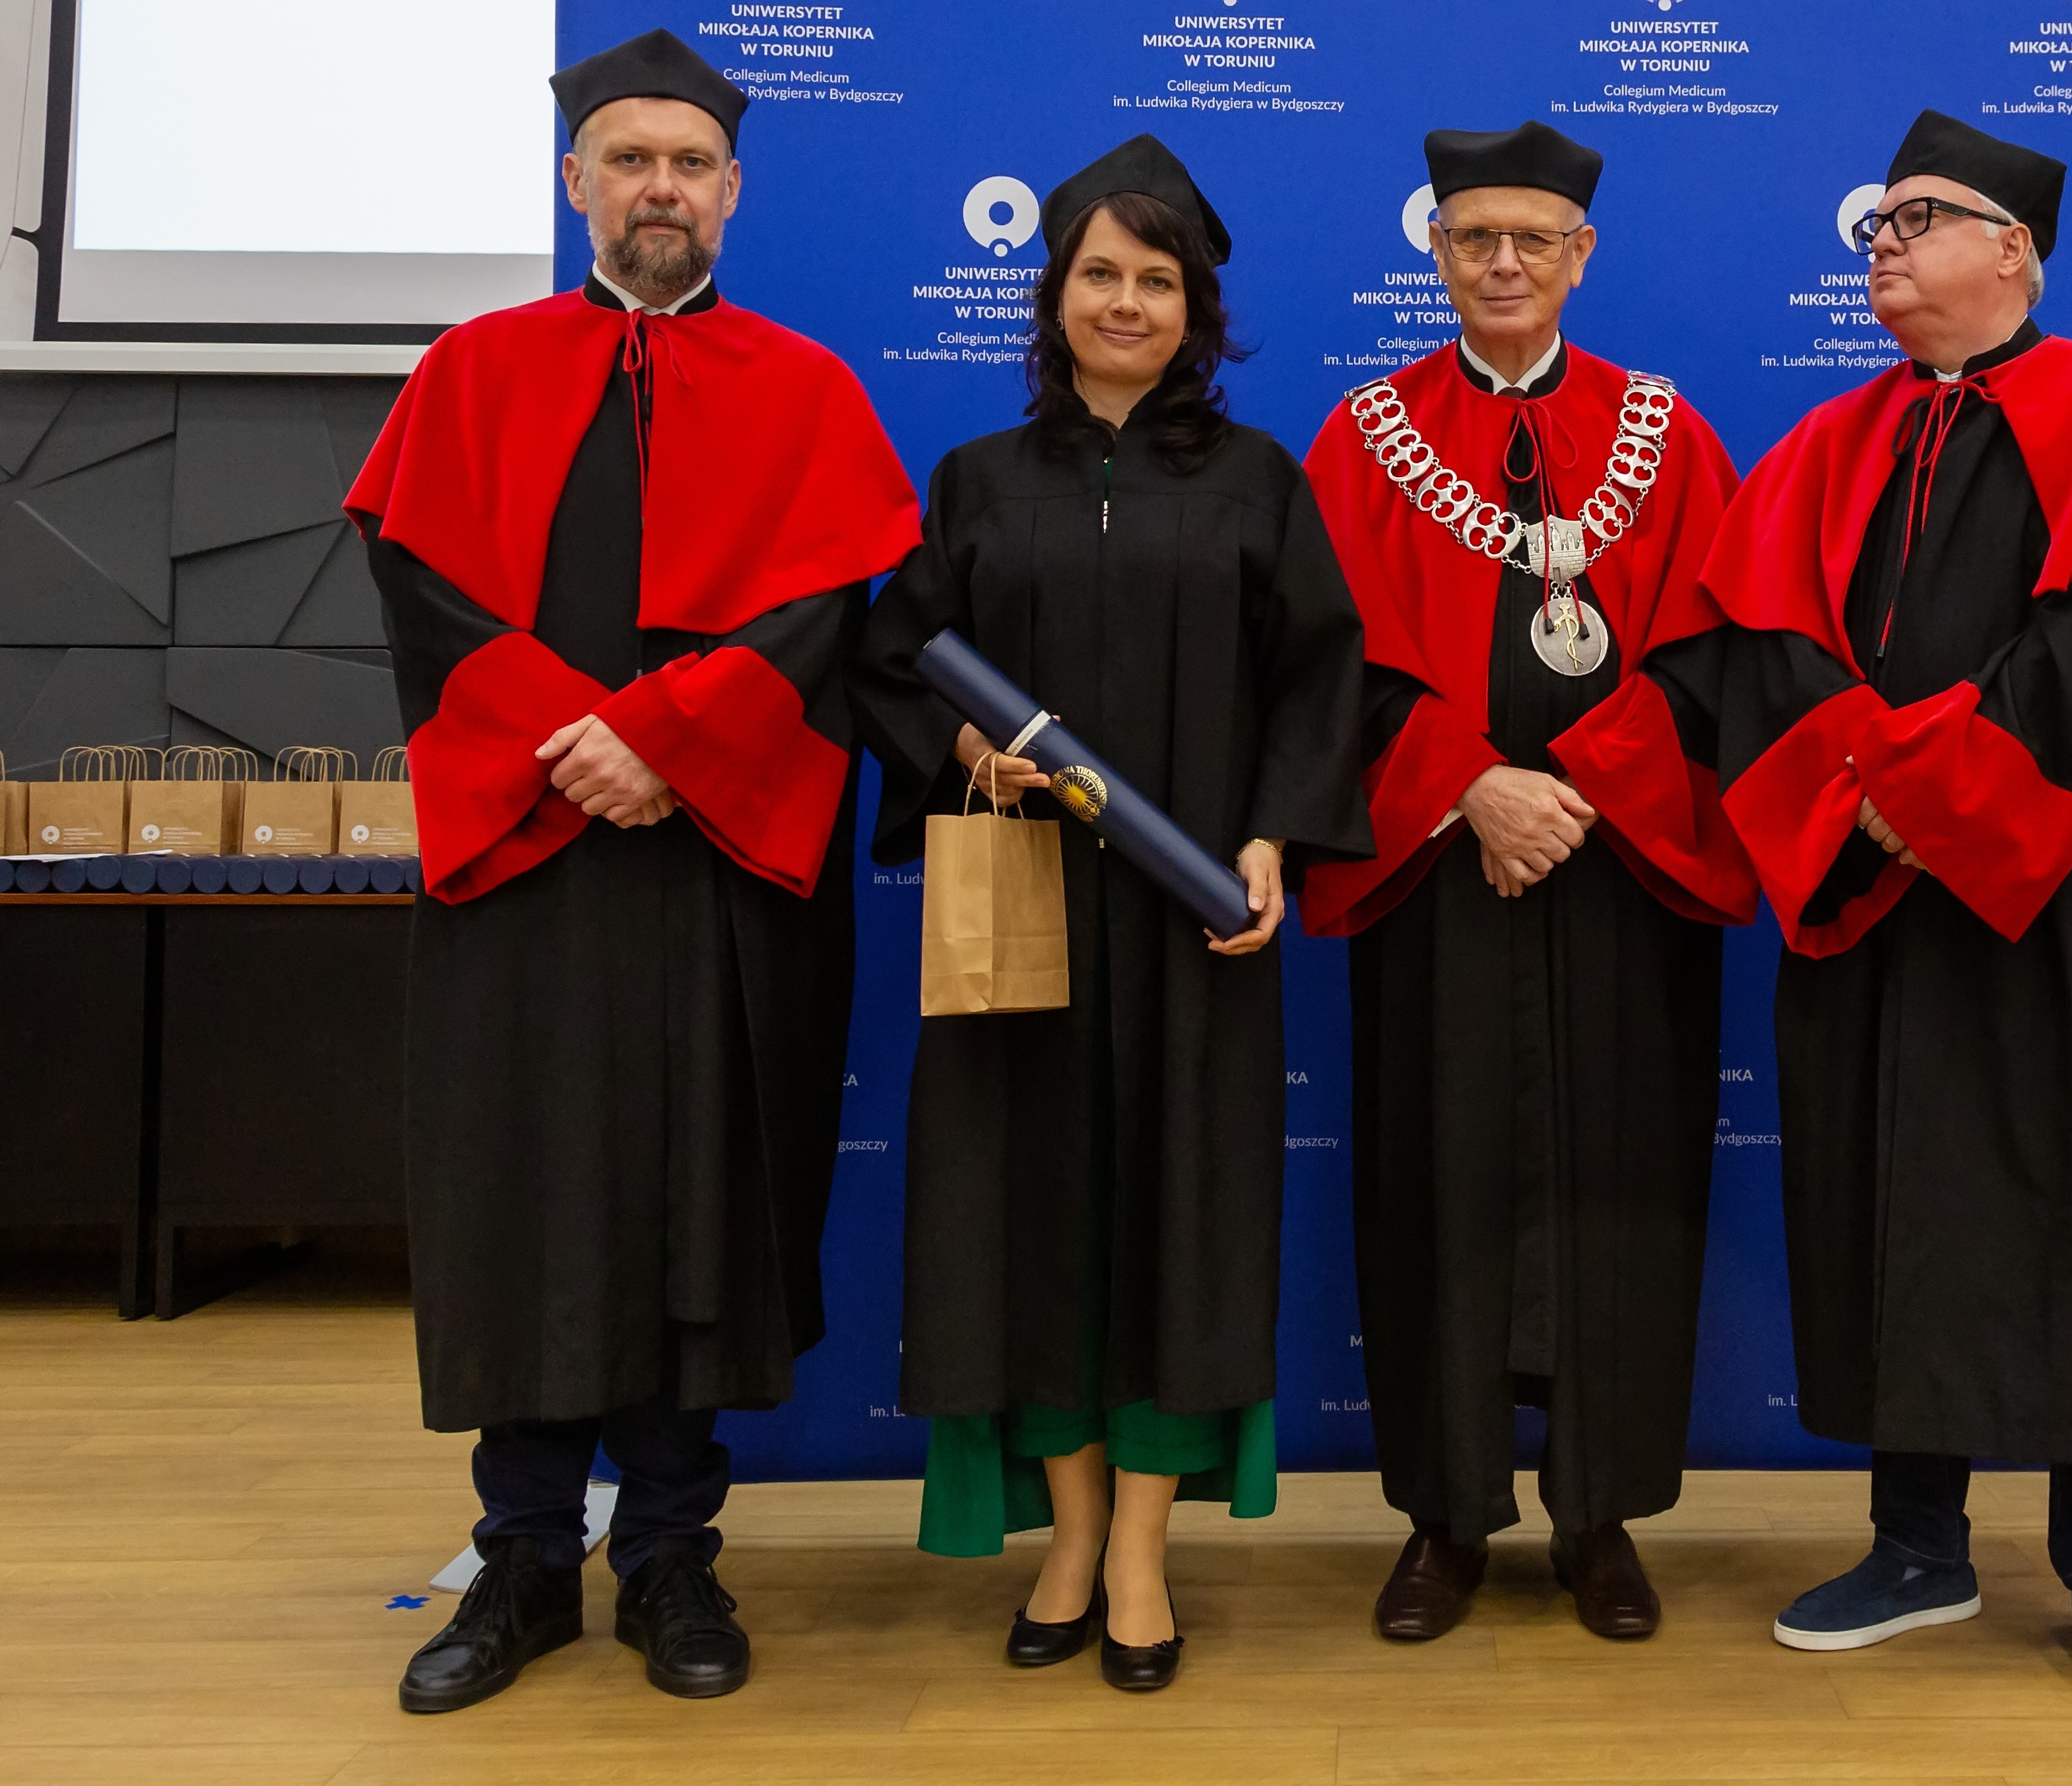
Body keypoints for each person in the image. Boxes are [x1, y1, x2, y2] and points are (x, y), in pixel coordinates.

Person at [346, 30, 921, 1713]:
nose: (658, 187)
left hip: (717, 862)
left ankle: (670, 1552)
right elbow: (424, 596)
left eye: (687, 162)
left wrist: (668, 740)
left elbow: (822, 618)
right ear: (576, 182)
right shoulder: (472, 372)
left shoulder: (806, 390)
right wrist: (572, 741)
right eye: (628, 159)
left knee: (701, 1193)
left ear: (731, 192)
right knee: (521, 1186)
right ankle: (524, 1557)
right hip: (525, 858)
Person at [1698, 111, 2072, 1704]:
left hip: (2058, 891)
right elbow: (1771, 657)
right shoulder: (1827, 445)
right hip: (1872, 894)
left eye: (1917, 219)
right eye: (1873, 225)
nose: (1879, 244)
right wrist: (1866, 804)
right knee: (1886, 1193)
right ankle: (1915, 1545)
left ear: (2011, 249)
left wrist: (1924, 796)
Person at [850, 135, 1371, 1693]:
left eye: (1156, 278)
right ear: (1054, 293)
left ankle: (1141, 1550)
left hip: (1190, 918)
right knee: (1029, 1219)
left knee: (1176, 1222)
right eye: (1098, 273)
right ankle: (1068, 1536)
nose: (1125, 301)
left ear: (1194, 307)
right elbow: (891, 663)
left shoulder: (1258, 480)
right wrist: (966, 751)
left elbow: (1321, 682)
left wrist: (1271, 838)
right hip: (1023, 918)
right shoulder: (977, 480)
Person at [1299, 121, 1752, 1643]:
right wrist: (1471, 788)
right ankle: (1443, 1518)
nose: (1502, 263)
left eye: (1532, 240)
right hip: (1439, 871)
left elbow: (1711, 651)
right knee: (1434, 1182)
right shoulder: (1363, 435)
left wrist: (1579, 786)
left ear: (1580, 255)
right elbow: (1326, 661)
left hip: (1621, 872)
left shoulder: (1664, 433)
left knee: (1619, 1189)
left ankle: (1598, 1514)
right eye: (1474, 237)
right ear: (1434, 250)